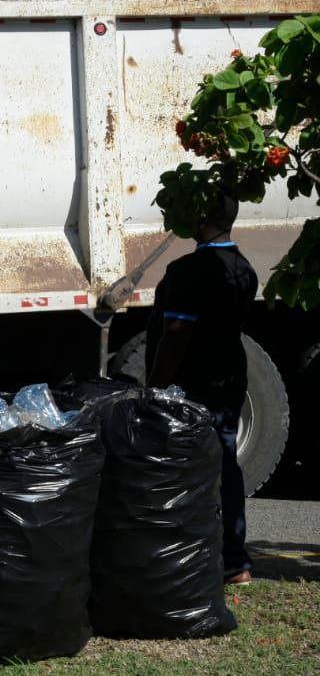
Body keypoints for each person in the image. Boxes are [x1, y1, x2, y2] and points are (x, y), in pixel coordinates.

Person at [145, 191, 257, 586]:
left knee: (183, 468)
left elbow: (175, 336)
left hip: (193, 384)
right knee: (226, 464)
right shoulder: (243, 269)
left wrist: (154, 388)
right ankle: (234, 561)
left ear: (204, 221)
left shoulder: (189, 270)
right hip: (229, 378)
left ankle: (186, 556)